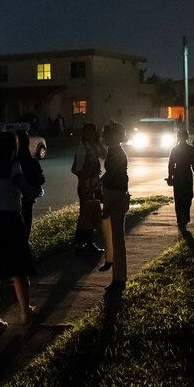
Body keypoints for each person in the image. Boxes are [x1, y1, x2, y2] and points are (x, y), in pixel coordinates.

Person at [0, 131, 39, 334]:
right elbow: (21, 183)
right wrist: (31, 191)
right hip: (10, 220)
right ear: (13, 148)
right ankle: (25, 311)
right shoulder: (13, 166)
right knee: (19, 268)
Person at [99, 122, 130, 292]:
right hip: (114, 195)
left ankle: (119, 278)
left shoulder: (117, 153)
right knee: (115, 238)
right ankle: (117, 276)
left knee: (117, 240)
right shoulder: (114, 151)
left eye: (107, 134)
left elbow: (116, 178)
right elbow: (110, 173)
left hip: (116, 196)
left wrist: (108, 206)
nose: (104, 137)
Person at [70, 123, 106, 257]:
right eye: (88, 132)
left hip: (94, 185)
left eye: (93, 132)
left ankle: (88, 244)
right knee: (85, 216)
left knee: (91, 215)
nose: (91, 135)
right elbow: (77, 170)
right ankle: (81, 244)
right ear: (84, 133)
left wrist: (99, 143)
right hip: (87, 186)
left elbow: (105, 155)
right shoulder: (82, 148)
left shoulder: (93, 147)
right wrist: (85, 186)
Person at [165, 127, 194, 228]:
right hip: (187, 174)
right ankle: (185, 217)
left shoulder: (174, 149)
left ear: (178, 137)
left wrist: (170, 177)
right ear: (187, 137)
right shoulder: (191, 149)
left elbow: (171, 165)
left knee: (178, 198)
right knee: (188, 197)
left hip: (178, 175)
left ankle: (180, 218)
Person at [15, 128, 45, 237]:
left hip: (18, 200)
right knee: (26, 222)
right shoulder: (30, 161)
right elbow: (39, 179)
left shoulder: (13, 162)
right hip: (26, 198)